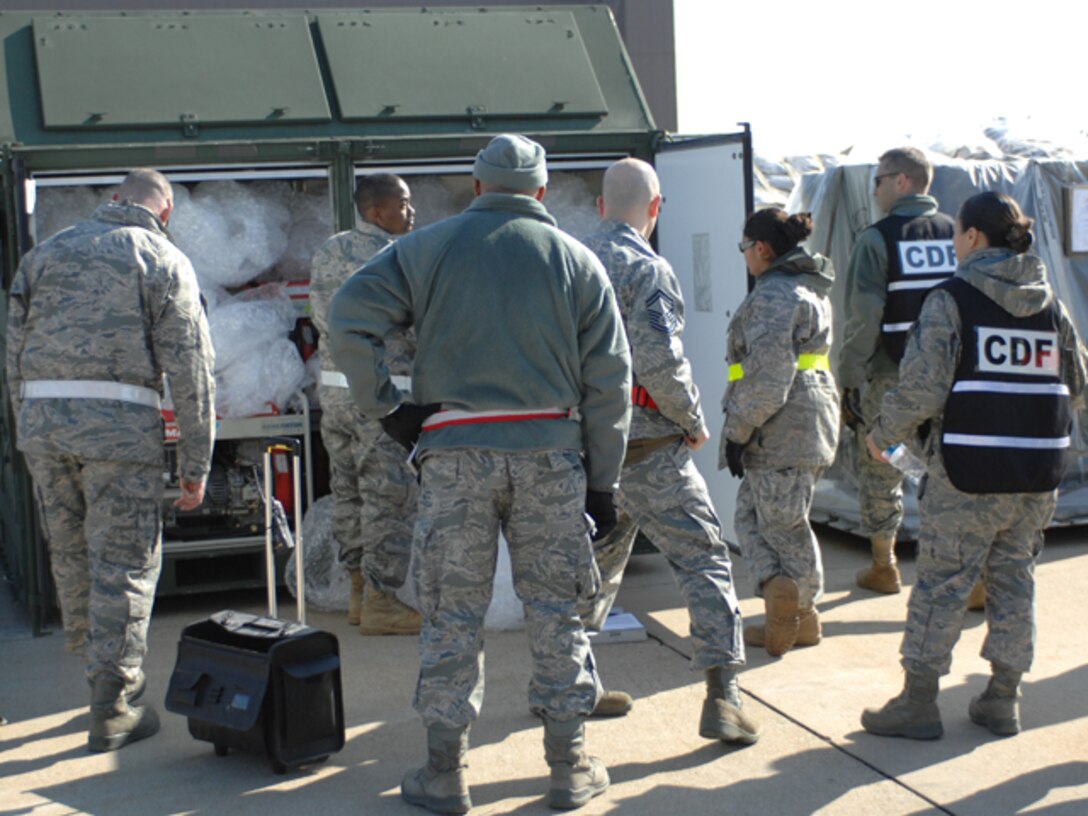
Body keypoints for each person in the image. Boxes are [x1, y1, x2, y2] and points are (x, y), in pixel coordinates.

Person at [328, 134, 631, 813]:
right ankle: (569, 766)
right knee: (556, 610)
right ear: (542, 192)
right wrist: (602, 482)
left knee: (451, 613)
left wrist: (389, 408)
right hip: (550, 457)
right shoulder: (578, 262)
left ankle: (445, 771)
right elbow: (610, 381)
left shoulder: (424, 249)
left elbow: (347, 318)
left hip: (454, 456)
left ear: (476, 186)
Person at [860, 192, 1087, 740]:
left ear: (972, 237)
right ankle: (1003, 700)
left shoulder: (952, 299)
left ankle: (918, 703)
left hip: (967, 473)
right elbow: (1078, 386)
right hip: (1035, 478)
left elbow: (922, 389)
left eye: (957, 234)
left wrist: (882, 435)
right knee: (1014, 580)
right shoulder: (1051, 306)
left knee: (942, 584)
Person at [5, 168, 216, 752]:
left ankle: (97, 667)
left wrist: (25, 427)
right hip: (119, 434)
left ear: (113, 198)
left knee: (71, 552)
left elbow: (12, 352)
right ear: (165, 211)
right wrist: (196, 465)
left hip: (44, 428)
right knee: (122, 561)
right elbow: (192, 372)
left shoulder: (42, 256)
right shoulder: (162, 258)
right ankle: (112, 702)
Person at [580, 158, 758, 744]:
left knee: (588, 570)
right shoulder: (646, 268)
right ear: (655, 208)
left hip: (585, 454)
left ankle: (565, 687)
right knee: (703, 559)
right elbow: (659, 359)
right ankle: (723, 697)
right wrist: (693, 419)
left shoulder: (569, 262)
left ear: (601, 206)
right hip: (650, 450)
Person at [721, 209, 839, 657]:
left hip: (780, 429)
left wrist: (738, 431)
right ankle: (783, 601)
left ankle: (798, 610)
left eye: (744, 248)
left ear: (762, 248)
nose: (744, 257)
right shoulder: (808, 288)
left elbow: (769, 378)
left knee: (782, 525)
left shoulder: (774, 296)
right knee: (753, 516)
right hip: (802, 424)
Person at [839, 147, 956, 596]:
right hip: (951, 380)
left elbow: (864, 317)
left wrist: (849, 376)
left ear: (901, 181)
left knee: (883, 462)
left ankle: (884, 564)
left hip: (894, 377)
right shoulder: (958, 233)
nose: (875, 191)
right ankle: (965, 569)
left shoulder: (877, 239)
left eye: (879, 181)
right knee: (949, 467)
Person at [309, 173, 421, 635]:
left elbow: (322, 316)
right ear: (378, 212)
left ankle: (358, 592)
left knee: (349, 492)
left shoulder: (330, 250)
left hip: (336, 394)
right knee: (387, 496)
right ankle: (382, 601)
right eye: (404, 204)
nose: (411, 212)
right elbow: (417, 328)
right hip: (382, 396)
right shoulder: (401, 257)